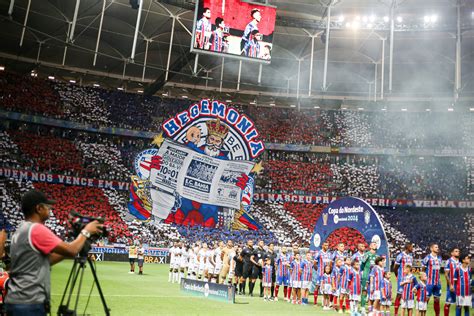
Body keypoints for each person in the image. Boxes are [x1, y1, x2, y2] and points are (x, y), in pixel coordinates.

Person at [5, 190, 102, 316]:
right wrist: (86, 232)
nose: (50, 209)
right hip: (30, 302)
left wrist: (77, 242)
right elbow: (72, 251)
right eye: (47, 207)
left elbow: (46, 260)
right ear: (39, 208)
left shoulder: (22, 228)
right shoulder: (36, 229)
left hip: (16, 299)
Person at [422, 243, 442, 316]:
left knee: (437, 300)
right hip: (429, 282)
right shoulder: (427, 258)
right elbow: (423, 269)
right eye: (436, 247)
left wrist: (439, 279)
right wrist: (424, 279)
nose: (437, 248)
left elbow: (438, 269)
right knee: (426, 300)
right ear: (431, 248)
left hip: (437, 283)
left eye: (438, 247)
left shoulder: (439, 258)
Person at [394, 243, 414, 316]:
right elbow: (395, 268)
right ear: (407, 247)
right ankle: (396, 313)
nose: (412, 248)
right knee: (399, 295)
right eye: (411, 247)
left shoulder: (411, 256)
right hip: (402, 279)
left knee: (408, 294)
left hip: (409, 279)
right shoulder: (400, 256)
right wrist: (398, 277)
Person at [312, 241, 332, 307]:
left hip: (327, 274)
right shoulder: (319, 253)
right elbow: (314, 263)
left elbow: (330, 263)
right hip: (320, 273)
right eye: (325, 245)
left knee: (327, 288)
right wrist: (318, 270)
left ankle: (326, 303)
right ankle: (315, 302)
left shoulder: (329, 254)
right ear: (322, 246)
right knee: (317, 286)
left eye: (327, 245)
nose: (327, 246)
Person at [361, 242, 378, 314]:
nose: (375, 245)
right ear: (370, 246)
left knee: (372, 291)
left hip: (373, 277)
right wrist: (363, 272)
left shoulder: (377, 256)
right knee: (364, 291)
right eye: (374, 244)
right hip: (366, 275)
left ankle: (371, 309)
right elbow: (362, 264)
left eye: (376, 244)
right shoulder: (367, 254)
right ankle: (362, 308)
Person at [444, 247, 460, 316]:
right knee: (448, 303)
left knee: (459, 304)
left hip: (459, 286)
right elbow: (446, 275)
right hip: (451, 286)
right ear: (452, 253)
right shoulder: (449, 261)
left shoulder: (459, 262)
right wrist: (450, 285)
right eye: (456, 251)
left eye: (458, 251)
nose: (458, 252)